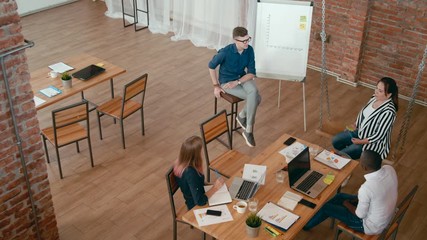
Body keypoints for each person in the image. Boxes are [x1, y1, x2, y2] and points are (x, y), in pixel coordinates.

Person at [304, 150, 398, 235]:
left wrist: (346, 203)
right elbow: (376, 194)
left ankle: (306, 225)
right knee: (339, 196)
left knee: (326, 207)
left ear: (364, 167)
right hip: (384, 214)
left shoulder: (366, 188)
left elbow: (359, 215)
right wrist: (356, 200)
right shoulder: (389, 169)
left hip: (369, 226)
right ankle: (323, 213)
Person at [208, 26, 261, 147]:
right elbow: (211, 66)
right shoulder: (225, 52)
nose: (247, 42)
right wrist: (216, 85)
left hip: (240, 79)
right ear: (236, 41)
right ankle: (245, 123)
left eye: (248, 39)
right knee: (256, 97)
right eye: (244, 41)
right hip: (226, 83)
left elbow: (252, 73)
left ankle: (247, 128)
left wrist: (238, 82)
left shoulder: (249, 50)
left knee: (253, 91)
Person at [332, 77, 399, 160]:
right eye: (376, 88)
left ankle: (344, 157)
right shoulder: (374, 98)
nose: (376, 91)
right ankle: (345, 156)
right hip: (360, 132)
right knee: (336, 140)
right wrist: (355, 124)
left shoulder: (389, 112)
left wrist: (360, 142)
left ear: (389, 95)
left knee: (343, 155)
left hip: (372, 144)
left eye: (380, 91)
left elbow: (379, 135)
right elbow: (364, 115)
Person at [174, 136, 224, 210]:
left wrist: (212, 185)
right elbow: (199, 201)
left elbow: (196, 184)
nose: (202, 152)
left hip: (198, 194)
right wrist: (215, 188)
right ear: (196, 155)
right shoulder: (190, 173)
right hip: (195, 206)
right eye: (201, 150)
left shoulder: (182, 162)